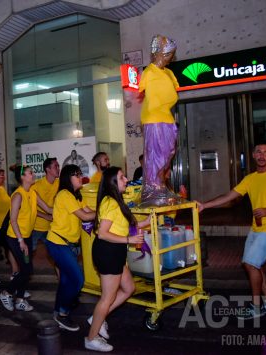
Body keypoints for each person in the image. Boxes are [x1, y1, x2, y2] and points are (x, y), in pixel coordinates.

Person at [197, 141, 266, 319]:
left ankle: (256, 307)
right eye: (259, 152)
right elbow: (229, 196)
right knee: (253, 264)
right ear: (253, 155)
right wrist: (205, 205)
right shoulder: (250, 179)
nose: (262, 155)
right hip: (256, 228)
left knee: (251, 264)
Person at [85, 167, 150, 352]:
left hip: (116, 251)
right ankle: (91, 337)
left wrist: (146, 222)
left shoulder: (116, 201)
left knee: (129, 288)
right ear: (112, 182)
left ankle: (98, 318)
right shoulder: (110, 202)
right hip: (108, 252)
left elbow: (124, 224)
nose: (127, 179)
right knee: (107, 297)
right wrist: (129, 239)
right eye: (122, 177)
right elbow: (103, 234)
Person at [45, 164, 95, 331]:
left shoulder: (77, 196)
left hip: (70, 245)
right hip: (58, 243)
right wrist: (103, 211)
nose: (81, 177)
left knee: (66, 281)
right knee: (78, 280)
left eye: (81, 174)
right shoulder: (65, 195)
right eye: (77, 175)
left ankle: (57, 311)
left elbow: (89, 210)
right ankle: (63, 313)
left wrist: (104, 209)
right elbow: (85, 216)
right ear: (68, 178)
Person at [0, 165, 52, 312]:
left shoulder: (33, 193)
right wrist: (21, 241)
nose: (33, 175)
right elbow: (13, 220)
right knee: (26, 269)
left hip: (27, 236)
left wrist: (66, 210)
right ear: (23, 177)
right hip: (15, 237)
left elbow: (47, 209)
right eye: (30, 173)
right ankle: (7, 293)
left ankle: (20, 299)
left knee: (27, 269)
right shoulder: (18, 195)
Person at [138, 34, 182, 205]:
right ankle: (153, 190)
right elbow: (143, 91)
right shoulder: (148, 72)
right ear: (161, 54)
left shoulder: (169, 73)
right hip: (154, 118)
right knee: (157, 154)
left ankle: (160, 186)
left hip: (167, 117)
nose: (171, 58)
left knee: (169, 152)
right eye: (169, 54)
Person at [31, 158, 59, 257]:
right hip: (35, 227)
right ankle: (23, 271)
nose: (58, 168)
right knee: (28, 253)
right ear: (48, 169)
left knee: (55, 255)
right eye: (56, 166)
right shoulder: (36, 185)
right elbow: (28, 208)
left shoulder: (59, 184)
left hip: (52, 227)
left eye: (58, 166)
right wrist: (45, 216)